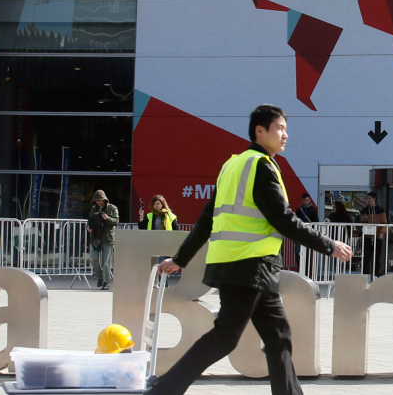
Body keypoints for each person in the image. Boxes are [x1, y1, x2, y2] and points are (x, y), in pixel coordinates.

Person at [144, 104, 351, 395]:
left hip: (246, 267)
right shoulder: (261, 167)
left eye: (286, 129)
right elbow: (283, 220)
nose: (285, 135)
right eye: (280, 128)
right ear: (260, 131)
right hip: (249, 266)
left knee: (278, 336)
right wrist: (328, 245)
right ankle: (163, 390)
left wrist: (181, 258)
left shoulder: (232, 165)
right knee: (225, 337)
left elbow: (206, 220)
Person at [86, 190, 118, 290]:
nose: (98, 202)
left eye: (100, 200)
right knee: (93, 258)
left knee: (106, 262)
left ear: (104, 200)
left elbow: (116, 221)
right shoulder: (94, 208)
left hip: (107, 238)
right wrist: (88, 227)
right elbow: (90, 220)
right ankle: (100, 277)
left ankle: (106, 282)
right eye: (96, 201)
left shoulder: (112, 208)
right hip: (96, 237)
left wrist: (107, 218)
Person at [360, 192, 387, 277]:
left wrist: (382, 233)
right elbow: (360, 222)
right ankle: (365, 275)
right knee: (366, 256)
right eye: (367, 198)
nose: (368, 200)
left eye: (369, 198)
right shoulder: (364, 211)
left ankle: (376, 275)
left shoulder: (380, 210)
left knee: (377, 257)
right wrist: (361, 229)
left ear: (374, 199)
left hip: (377, 237)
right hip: (367, 236)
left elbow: (384, 223)